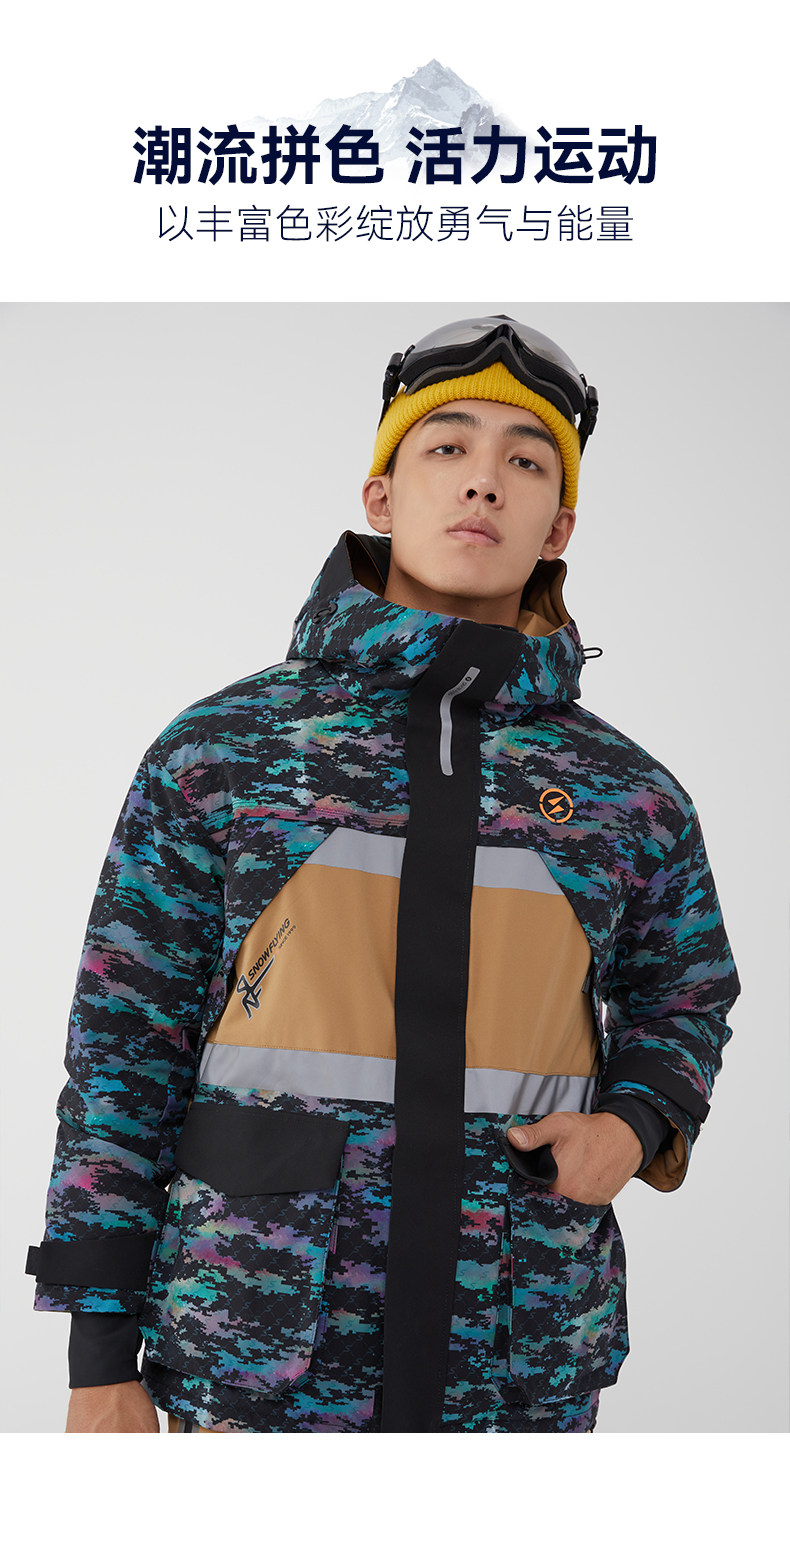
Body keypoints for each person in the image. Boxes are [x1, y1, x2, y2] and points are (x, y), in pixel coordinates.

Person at [27, 314, 740, 1434]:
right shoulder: (225, 751)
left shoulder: (626, 793)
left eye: (526, 461)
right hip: (260, 1364)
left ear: (558, 526)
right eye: (446, 447)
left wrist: (634, 1122)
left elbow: (685, 993)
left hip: (516, 1368)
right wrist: (98, 1357)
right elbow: (123, 1053)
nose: (483, 481)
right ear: (381, 497)